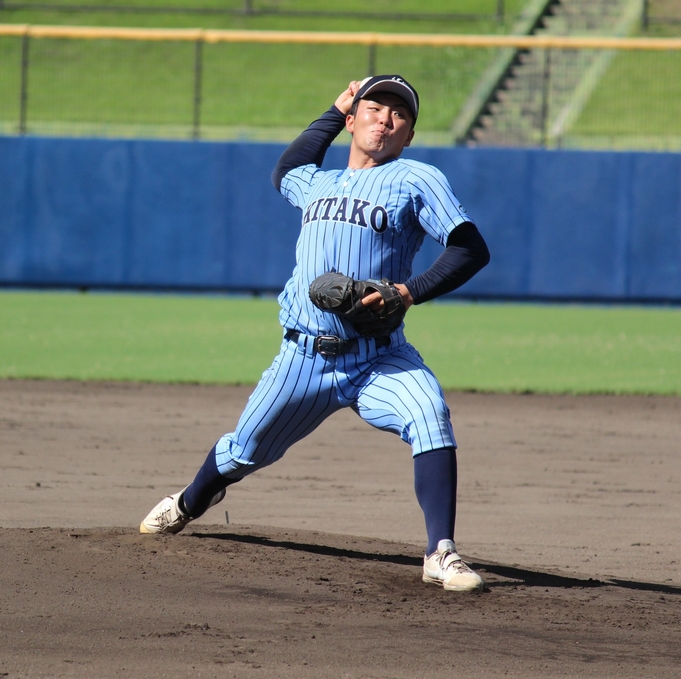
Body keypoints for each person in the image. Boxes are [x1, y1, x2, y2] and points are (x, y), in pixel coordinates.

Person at [140, 75, 491, 592]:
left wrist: (408, 292)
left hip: (379, 356)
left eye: (400, 114)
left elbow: (469, 248)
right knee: (244, 450)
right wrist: (332, 108)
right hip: (303, 359)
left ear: (409, 135)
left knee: (429, 413)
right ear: (353, 121)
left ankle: (441, 552)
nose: (386, 118)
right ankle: (192, 501)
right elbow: (287, 170)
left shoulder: (417, 179)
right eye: (375, 107)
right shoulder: (318, 184)